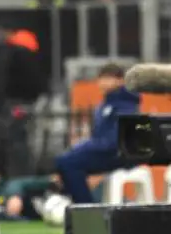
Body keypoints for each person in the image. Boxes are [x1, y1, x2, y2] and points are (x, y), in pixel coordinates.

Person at [55, 63, 140, 204]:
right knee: (65, 162)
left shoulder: (126, 105)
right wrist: (82, 147)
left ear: (120, 81)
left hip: (118, 154)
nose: (103, 82)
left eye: (108, 78)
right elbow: (98, 137)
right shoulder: (104, 105)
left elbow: (115, 140)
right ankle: (79, 203)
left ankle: (85, 206)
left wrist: (85, 147)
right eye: (101, 78)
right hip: (103, 151)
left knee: (68, 163)